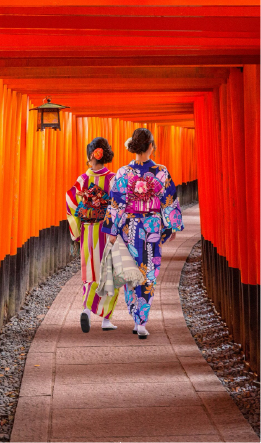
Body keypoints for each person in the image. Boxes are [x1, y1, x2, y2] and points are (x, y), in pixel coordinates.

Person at [102, 128, 184, 339]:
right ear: (150, 147)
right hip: (152, 227)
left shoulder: (122, 173)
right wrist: (172, 225)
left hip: (130, 227)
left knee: (132, 271)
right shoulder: (161, 172)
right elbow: (169, 200)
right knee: (148, 273)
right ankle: (141, 321)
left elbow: (115, 204)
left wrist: (113, 230)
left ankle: (136, 315)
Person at [66, 137, 119, 333]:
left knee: (90, 270)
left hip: (89, 230)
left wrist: (77, 230)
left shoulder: (82, 179)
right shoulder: (113, 179)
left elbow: (71, 203)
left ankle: (87, 310)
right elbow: (117, 206)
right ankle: (106, 319)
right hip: (108, 231)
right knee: (111, 272)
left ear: (91, 155)